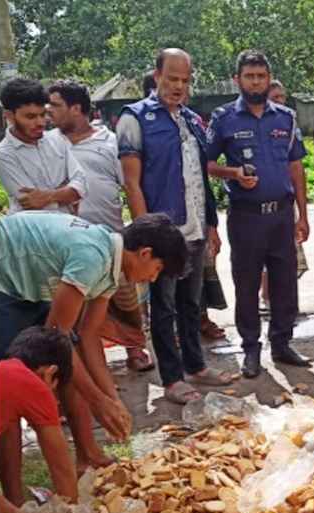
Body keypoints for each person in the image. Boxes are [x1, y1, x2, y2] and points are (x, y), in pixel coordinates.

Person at [0, 211, 187, 468]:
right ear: (145, 253)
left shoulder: (110, 265)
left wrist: (112, 400)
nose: (152, 278)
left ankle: (88, 455)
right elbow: (56, 337)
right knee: (10, 386)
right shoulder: (93, 257)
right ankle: (13, 500)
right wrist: (98, 402)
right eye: (157, 269)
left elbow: (88, 336)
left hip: (29, 279)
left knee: (69, 367)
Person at [117, 48, 234, 406]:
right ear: (157, 76)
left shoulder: (192, 121)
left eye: (185, 80)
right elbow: (132, 183)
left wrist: (212, 223)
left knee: (191, 302)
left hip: (196, 230)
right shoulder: (134, 119)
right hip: (164, 236)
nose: (179, 87)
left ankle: (196, 366)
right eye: (172, 79)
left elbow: (200, 177)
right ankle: (171, 378)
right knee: (163, 308)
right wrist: (147, 234)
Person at [203, 49, 312, 378]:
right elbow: (207, 164)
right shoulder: (223, 118)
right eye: (249, 76)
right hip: (246, 216)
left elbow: (296, 167)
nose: (255, 82)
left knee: (285, 284)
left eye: (261, 76)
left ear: (268, 78)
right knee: (247, 284)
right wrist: (234, 174)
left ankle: (282, 344)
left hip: (281, 214)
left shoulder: (285, 117)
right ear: (237, 80)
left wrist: (302, 214)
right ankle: (251, 348)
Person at [46, 80, 152, 373]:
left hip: (111, 237)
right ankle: (89, 367)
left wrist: (139, 227)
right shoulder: (49, 144)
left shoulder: (108, 141)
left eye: (55, 105)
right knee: (78, 310)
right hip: (67, 242)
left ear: (76, 109)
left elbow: (130, 185)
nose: (48, 111)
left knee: (126, 300)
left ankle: (135, 349)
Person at [0, 326, 78, 513]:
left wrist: (5, 507)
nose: (55, 398)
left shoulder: (1, 371)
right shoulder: (34, 386)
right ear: (50, 372)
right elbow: (62, 468)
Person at [0, 77, 87, 215]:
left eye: (43, 115)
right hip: (33, 233)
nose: (41, 123)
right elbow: (33, 205)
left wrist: (48, 196)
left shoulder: (57, 139)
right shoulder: (4, 155)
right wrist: (66, 190)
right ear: (9, 116)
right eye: (31, 117)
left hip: (70, 228)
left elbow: (82, 183)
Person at [257, 80, 308, 318]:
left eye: (282, 97)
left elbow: (297, 167)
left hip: (285, 202)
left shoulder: (289, 122)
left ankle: (288, 305)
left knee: (289, 258)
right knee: (266, 260)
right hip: (256, 207)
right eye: (275, 97)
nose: (280, 102)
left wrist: (303, 213)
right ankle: (266, 298)